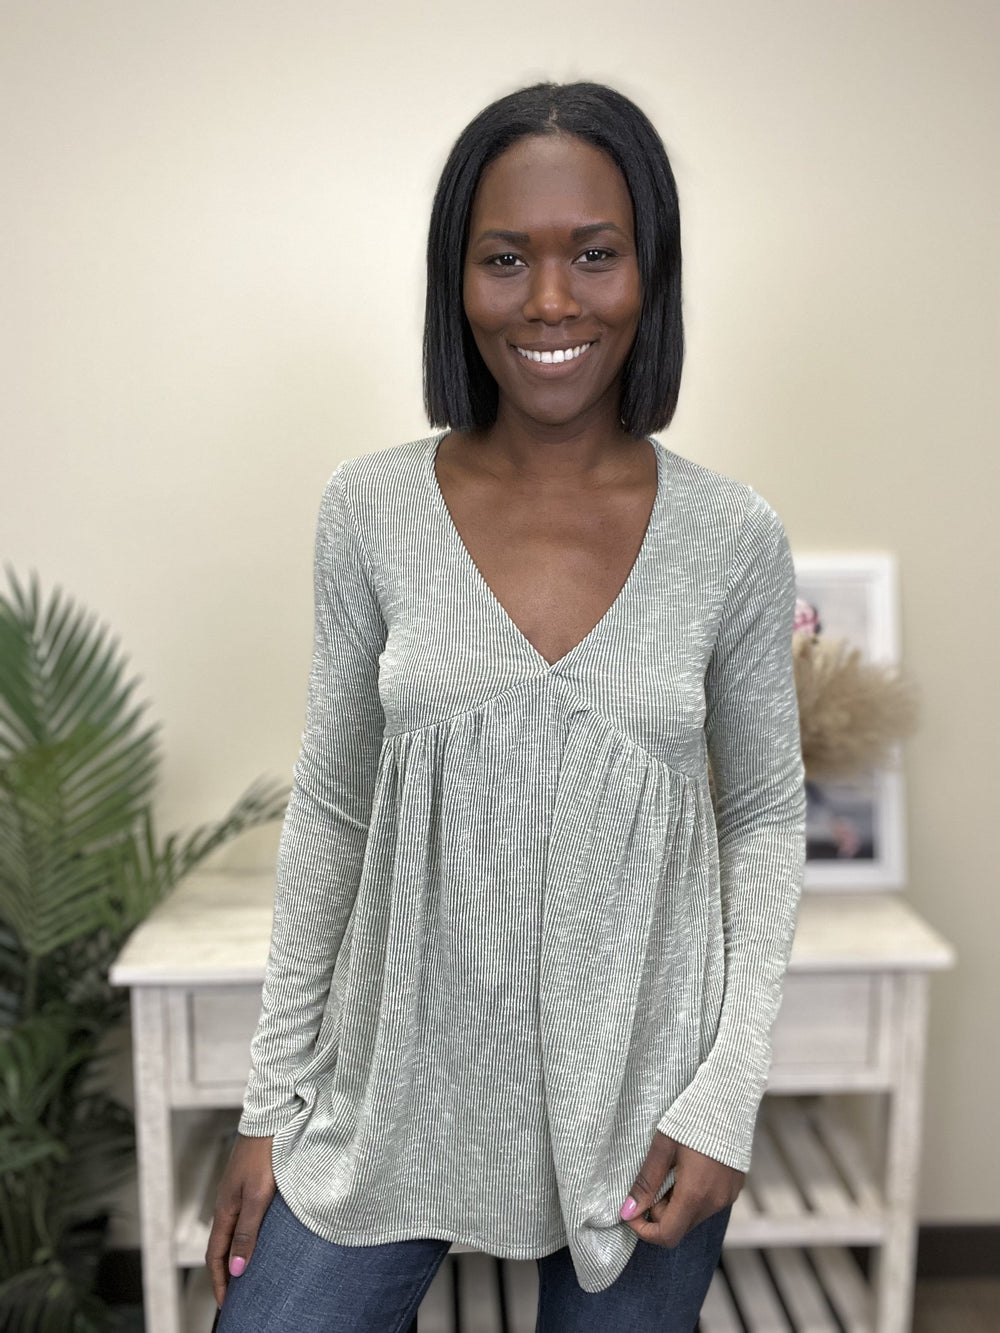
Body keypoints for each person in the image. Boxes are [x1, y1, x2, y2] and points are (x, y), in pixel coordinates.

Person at [206, 80, 806, 1333]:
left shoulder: (731, 536)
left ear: (648, 272)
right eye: (504, 258)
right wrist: (271, 1104)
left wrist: (724, 1097)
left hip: (643, 1111)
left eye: (593, 253)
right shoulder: (368, 509)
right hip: (389, 1092)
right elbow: (332, 809)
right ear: (457, 280)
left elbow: (760, 815)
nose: (548, 300)